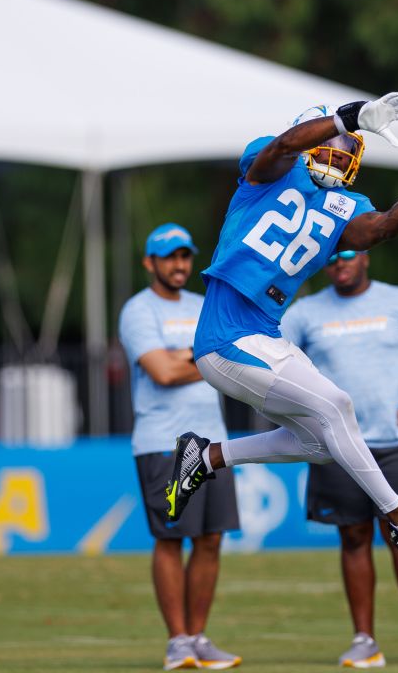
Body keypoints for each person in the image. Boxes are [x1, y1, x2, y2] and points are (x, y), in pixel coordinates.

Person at [165, 91, 398, 555]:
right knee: (337, 406)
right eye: (338, 139)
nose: (344, 150)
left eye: (351, 146)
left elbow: (383, 226)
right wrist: (348, 118)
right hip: (225, 336)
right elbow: (283, 146)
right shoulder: (271, 168)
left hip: (262, 336)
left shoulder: (344, 205)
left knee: (323, 443)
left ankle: (206, 457)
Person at [281, 249, 398, 668]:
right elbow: (273, 365)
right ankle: (364, 640)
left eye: (347, 254)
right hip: (338, 446)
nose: (340, 263)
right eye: (331, 258)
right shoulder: (305, 312)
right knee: (353, 538)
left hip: (396, 445)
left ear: (365, 256)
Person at [119, 223, 242, 670]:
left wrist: (189, 357)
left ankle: (198, 637)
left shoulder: (204, 304)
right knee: (171, 540)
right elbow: (163, 373)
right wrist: (209, 359)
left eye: (184, 256)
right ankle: (176, 642)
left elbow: (231, 355)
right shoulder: (138, 310)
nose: (178, 265)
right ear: (149, 263)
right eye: (169, 257)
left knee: (210, 540)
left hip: (213, 443)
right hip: (163, 444)